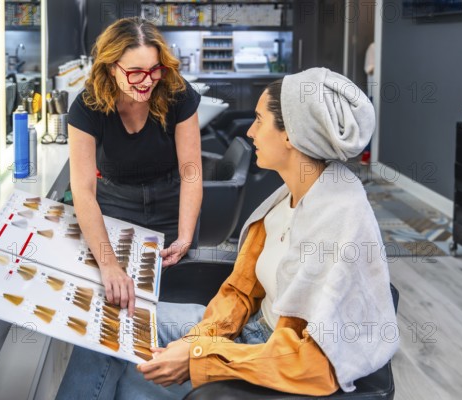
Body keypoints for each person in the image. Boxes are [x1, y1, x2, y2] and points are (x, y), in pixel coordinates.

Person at [56, 68, 399, 399]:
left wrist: (199, 358)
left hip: (265, 354)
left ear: (291, 133)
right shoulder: (288, 199)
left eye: (260, 120)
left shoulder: (340, 222)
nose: (250, 132)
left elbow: (314, 364)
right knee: (103, 323)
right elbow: (241, 292)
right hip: (244, 332)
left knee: (128, 381)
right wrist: (199, 341)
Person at [67, 17, 202, 313]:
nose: (147, 81)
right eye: (135, 72)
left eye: (155, 70)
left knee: (171, 304)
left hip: (172, 204)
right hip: (116, 207)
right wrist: (108, 264)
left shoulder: (177, 93)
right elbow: (83, 190)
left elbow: (191, 172)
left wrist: (184, 236)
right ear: (111, 67)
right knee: (121, 307)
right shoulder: (87, 107)